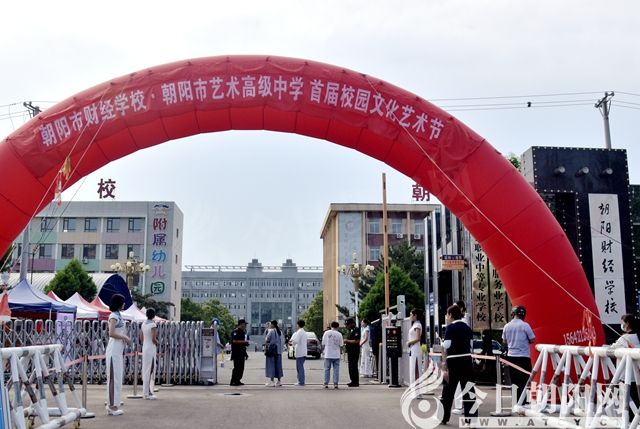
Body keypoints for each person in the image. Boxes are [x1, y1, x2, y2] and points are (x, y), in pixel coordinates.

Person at [440, 305, 477, 425]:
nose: (447, 317)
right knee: (469, 390)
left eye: (447, 314)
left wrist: (442, 342)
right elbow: (471, 345)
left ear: (451, 315)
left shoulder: (450, 328)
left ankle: (443, 417)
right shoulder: (467, 327)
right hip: (467, 360)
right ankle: (471, 419)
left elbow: (447, 345)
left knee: (448, 391)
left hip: (453, 362)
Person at [502, 305, 535, 403]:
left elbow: (504, 341)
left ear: (513, 314)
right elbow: (532, 339)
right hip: (524, 357)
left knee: (514, 380)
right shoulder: (525, 325)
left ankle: (516, 401)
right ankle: (523, 401)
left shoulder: (507, 326)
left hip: (511, 357)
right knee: (525, 380)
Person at [105, 294, 131, 416]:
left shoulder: (118, 315)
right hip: (113, 350)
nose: (124, 304)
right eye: (123, 302)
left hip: (118, 350)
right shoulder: (113, 316)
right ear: (119, 303)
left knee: (117, 378)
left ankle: (114, 404)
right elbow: (111, 333)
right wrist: (125, 337)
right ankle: (111, 406)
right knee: (113, 378)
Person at [139, 307, 159, 400]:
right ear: (153, 315)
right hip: (151, 347)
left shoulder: (143, 324)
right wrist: (158, 343)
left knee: (146, 369)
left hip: (145, 347)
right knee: (150, 369)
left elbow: (141, 338)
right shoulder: (153, 325)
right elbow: (154, 339)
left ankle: (147, 391)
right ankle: (147, 393)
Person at [322, 321, 344, 389]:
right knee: (336, 369)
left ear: (331, 326)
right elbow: (341, 345)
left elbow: (323, 343)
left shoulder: (326, 333)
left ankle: (326, 383)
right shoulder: (339, 334)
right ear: (337, 327)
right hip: (336, 354)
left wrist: (323, 351)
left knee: (327, 369)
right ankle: (335, 383)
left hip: (328, 353)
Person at [264, 320, 284, 387]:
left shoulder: (271, 331)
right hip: (279, 351)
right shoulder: (280, 332)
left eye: (270, 324)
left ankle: (272, 381)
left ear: (272, 324)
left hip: (272, 351)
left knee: (271, 365)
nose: (269, 325)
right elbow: (283, 341)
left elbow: (267, 339)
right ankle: (279, 381)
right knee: (278, 366)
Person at [230, 319, 249, 386]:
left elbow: (242, 343)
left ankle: (238, 380)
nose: (245, 326)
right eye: (244, 324)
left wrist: (245, 353)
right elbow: (234, 341)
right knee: (237, 368)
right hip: (236, 353)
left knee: (241, 368)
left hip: (242, 352)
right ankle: (233, 381)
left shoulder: (243, 332)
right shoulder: (235, 331)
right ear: (241, 324)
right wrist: (244, 342)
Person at [407, 309, 423, 385]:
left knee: (416, 369)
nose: (410, 316)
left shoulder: (417, 325)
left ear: (415, 315)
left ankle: (416, 388)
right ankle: (415, 388)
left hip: (416, 349)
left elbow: (418, 338)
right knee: (414, 369)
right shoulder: (415, 325)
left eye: (411, 314)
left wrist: (409, 342)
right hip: (413, 348)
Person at [289, 319, 308, 386]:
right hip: (303, 352)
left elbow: (295, 341)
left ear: (298, 325)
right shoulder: (304, 332)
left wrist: (291, 342)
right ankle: (301, 381)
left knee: (299, 368)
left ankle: (301, 381)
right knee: (300, 367)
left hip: (300, 352)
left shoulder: (299, 332)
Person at [344, 318, 361, 387]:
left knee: (354, 366)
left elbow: (357, 341)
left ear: (352, 324)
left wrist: (347, 341)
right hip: (350, 351)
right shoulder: (350, 331)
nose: (346, 326)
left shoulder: (356, 330)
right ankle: (352, 380)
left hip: (354, 351)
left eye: (348, 325)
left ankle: (355, 382)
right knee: (350, 366)